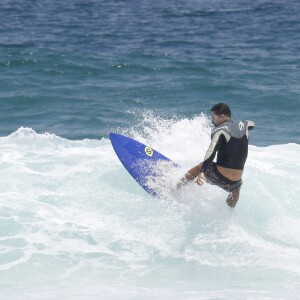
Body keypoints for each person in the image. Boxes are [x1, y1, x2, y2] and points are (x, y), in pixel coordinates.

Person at [178, 103, 255, 208]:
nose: (212, 120)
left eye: (213, 117)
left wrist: (202, 171)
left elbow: (211, 151)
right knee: (236, 190)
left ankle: (175, 188)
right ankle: (230, 209)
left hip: (220, 177)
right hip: (234, 183)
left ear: (222, 116)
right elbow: (252, 124)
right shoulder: (244, 126)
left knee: (200, 166)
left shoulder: (219, 131)